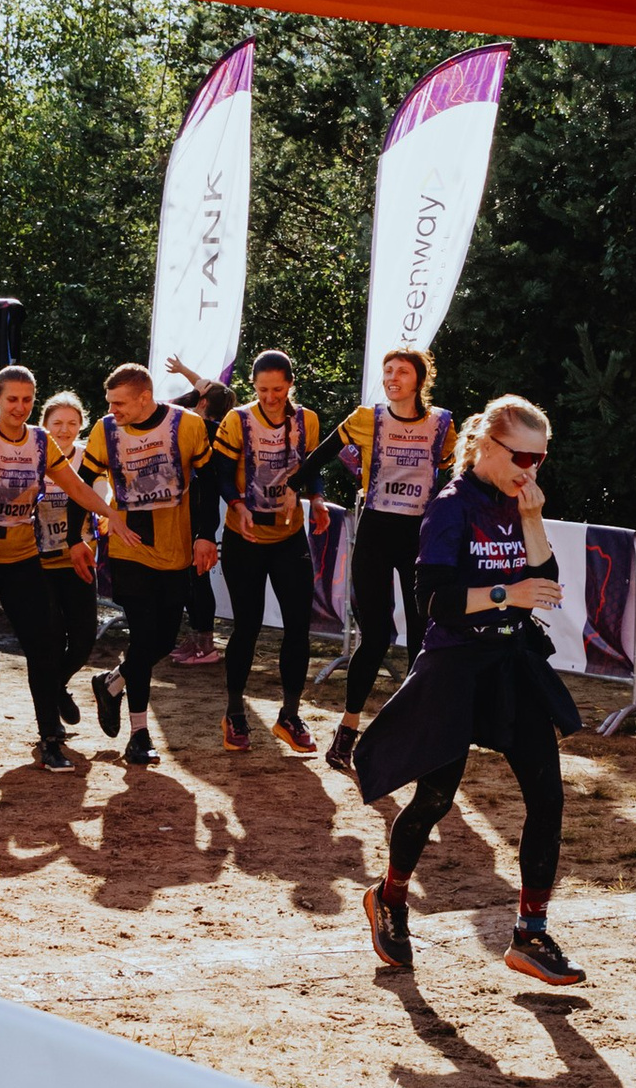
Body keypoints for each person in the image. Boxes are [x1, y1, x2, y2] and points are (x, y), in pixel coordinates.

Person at [351, 394, 585, 989]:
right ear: (487, 444)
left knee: (548, 796)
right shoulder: (451, 508)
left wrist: (533, 519)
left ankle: (530, 934)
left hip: (512, 663)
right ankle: (390, 898)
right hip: (457, 667)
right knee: (434, 800)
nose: (531, 471)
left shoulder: (519, 503)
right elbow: (436, 602)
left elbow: (547, 585)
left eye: (541, 460)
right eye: (522, 458)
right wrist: (509, 594)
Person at [0, 364, 110, 770]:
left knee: (43, 647)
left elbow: (77, 487)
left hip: (21, 558)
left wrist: (112, 516)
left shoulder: (42, 440)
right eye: (12, 399)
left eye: (27, 400)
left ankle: (50, 739)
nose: (20, 407)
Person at [324, 345, 458, 770]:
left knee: (422, 638)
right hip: (376, 533)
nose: (392, 377)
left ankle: (416, 734)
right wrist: (296, 490)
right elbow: (320, 457)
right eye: (388, 371)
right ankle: (346, 732)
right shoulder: (367, 418)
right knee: (376, 637)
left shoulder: (442, 425)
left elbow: (453, 481)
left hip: (420, 539)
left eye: (402, 371)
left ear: (419, 380)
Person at [78, 364, 217, 769]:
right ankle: (139, 734)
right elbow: (81, 484)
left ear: (144, 397)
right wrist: (79, 536)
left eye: (119, 403)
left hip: (175, 550)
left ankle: (111, 682)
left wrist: (205, 534)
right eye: (109, 403)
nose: (112, 410)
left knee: (161, 641)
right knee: (142, 636)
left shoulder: (188, 426)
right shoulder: (105, 430)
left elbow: (208, 483)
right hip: (129, 547)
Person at [203, 350, 331, 755]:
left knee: (298, 626)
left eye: (278, 389)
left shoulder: (306, 420)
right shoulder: (238, 420)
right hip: (247, 537)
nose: (271, 397)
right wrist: (237, 506)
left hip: (290, 535)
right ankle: (235, 712)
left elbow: (313, 466)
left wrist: (318, 499)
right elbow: (220, 474)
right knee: (247, 626)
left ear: (290, 383)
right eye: (262, 390)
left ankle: (290, 715)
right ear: (252, 387)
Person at [163, 358, 239, 663]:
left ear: (203, 400)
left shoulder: (195, 425)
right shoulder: (220, 424)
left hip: (193, 508)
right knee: (194, 577)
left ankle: (204, 644)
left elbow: (205, 389)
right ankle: (197, 639)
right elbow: (209, 388)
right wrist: (183, 370)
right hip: (196, 507)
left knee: (196, 577)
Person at [36, 390, 104, 723]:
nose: (64, 430)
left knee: (83, 640)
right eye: (58, 423)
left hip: (80, 560)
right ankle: (49, 715)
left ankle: (55, 686)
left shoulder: (88, 459)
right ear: (44, 424)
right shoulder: (31, 456)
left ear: (81, 425)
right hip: (38, 565)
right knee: (49, 637)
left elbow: (104, 500)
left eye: (72, 423)